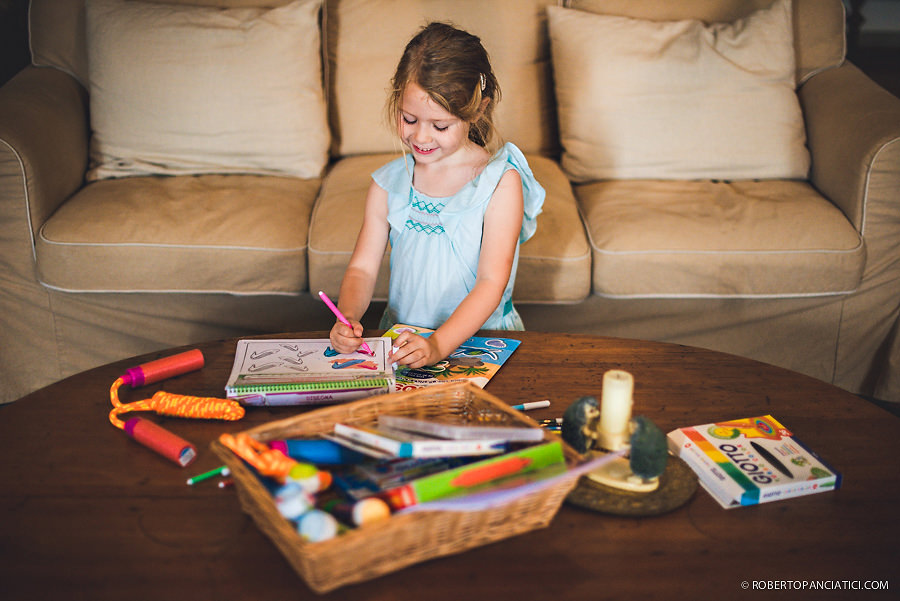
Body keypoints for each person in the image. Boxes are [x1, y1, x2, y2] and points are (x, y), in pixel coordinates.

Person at [328, 22, 545, 369]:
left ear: (476, 110)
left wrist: (438, 345)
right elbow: (362, 268)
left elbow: (491, 283)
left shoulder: (499, 182)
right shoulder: (388, 184)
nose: (421, 137)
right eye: (409, 119)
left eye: (439, 126)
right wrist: (349, 316)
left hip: (480, 344)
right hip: (404, 342)